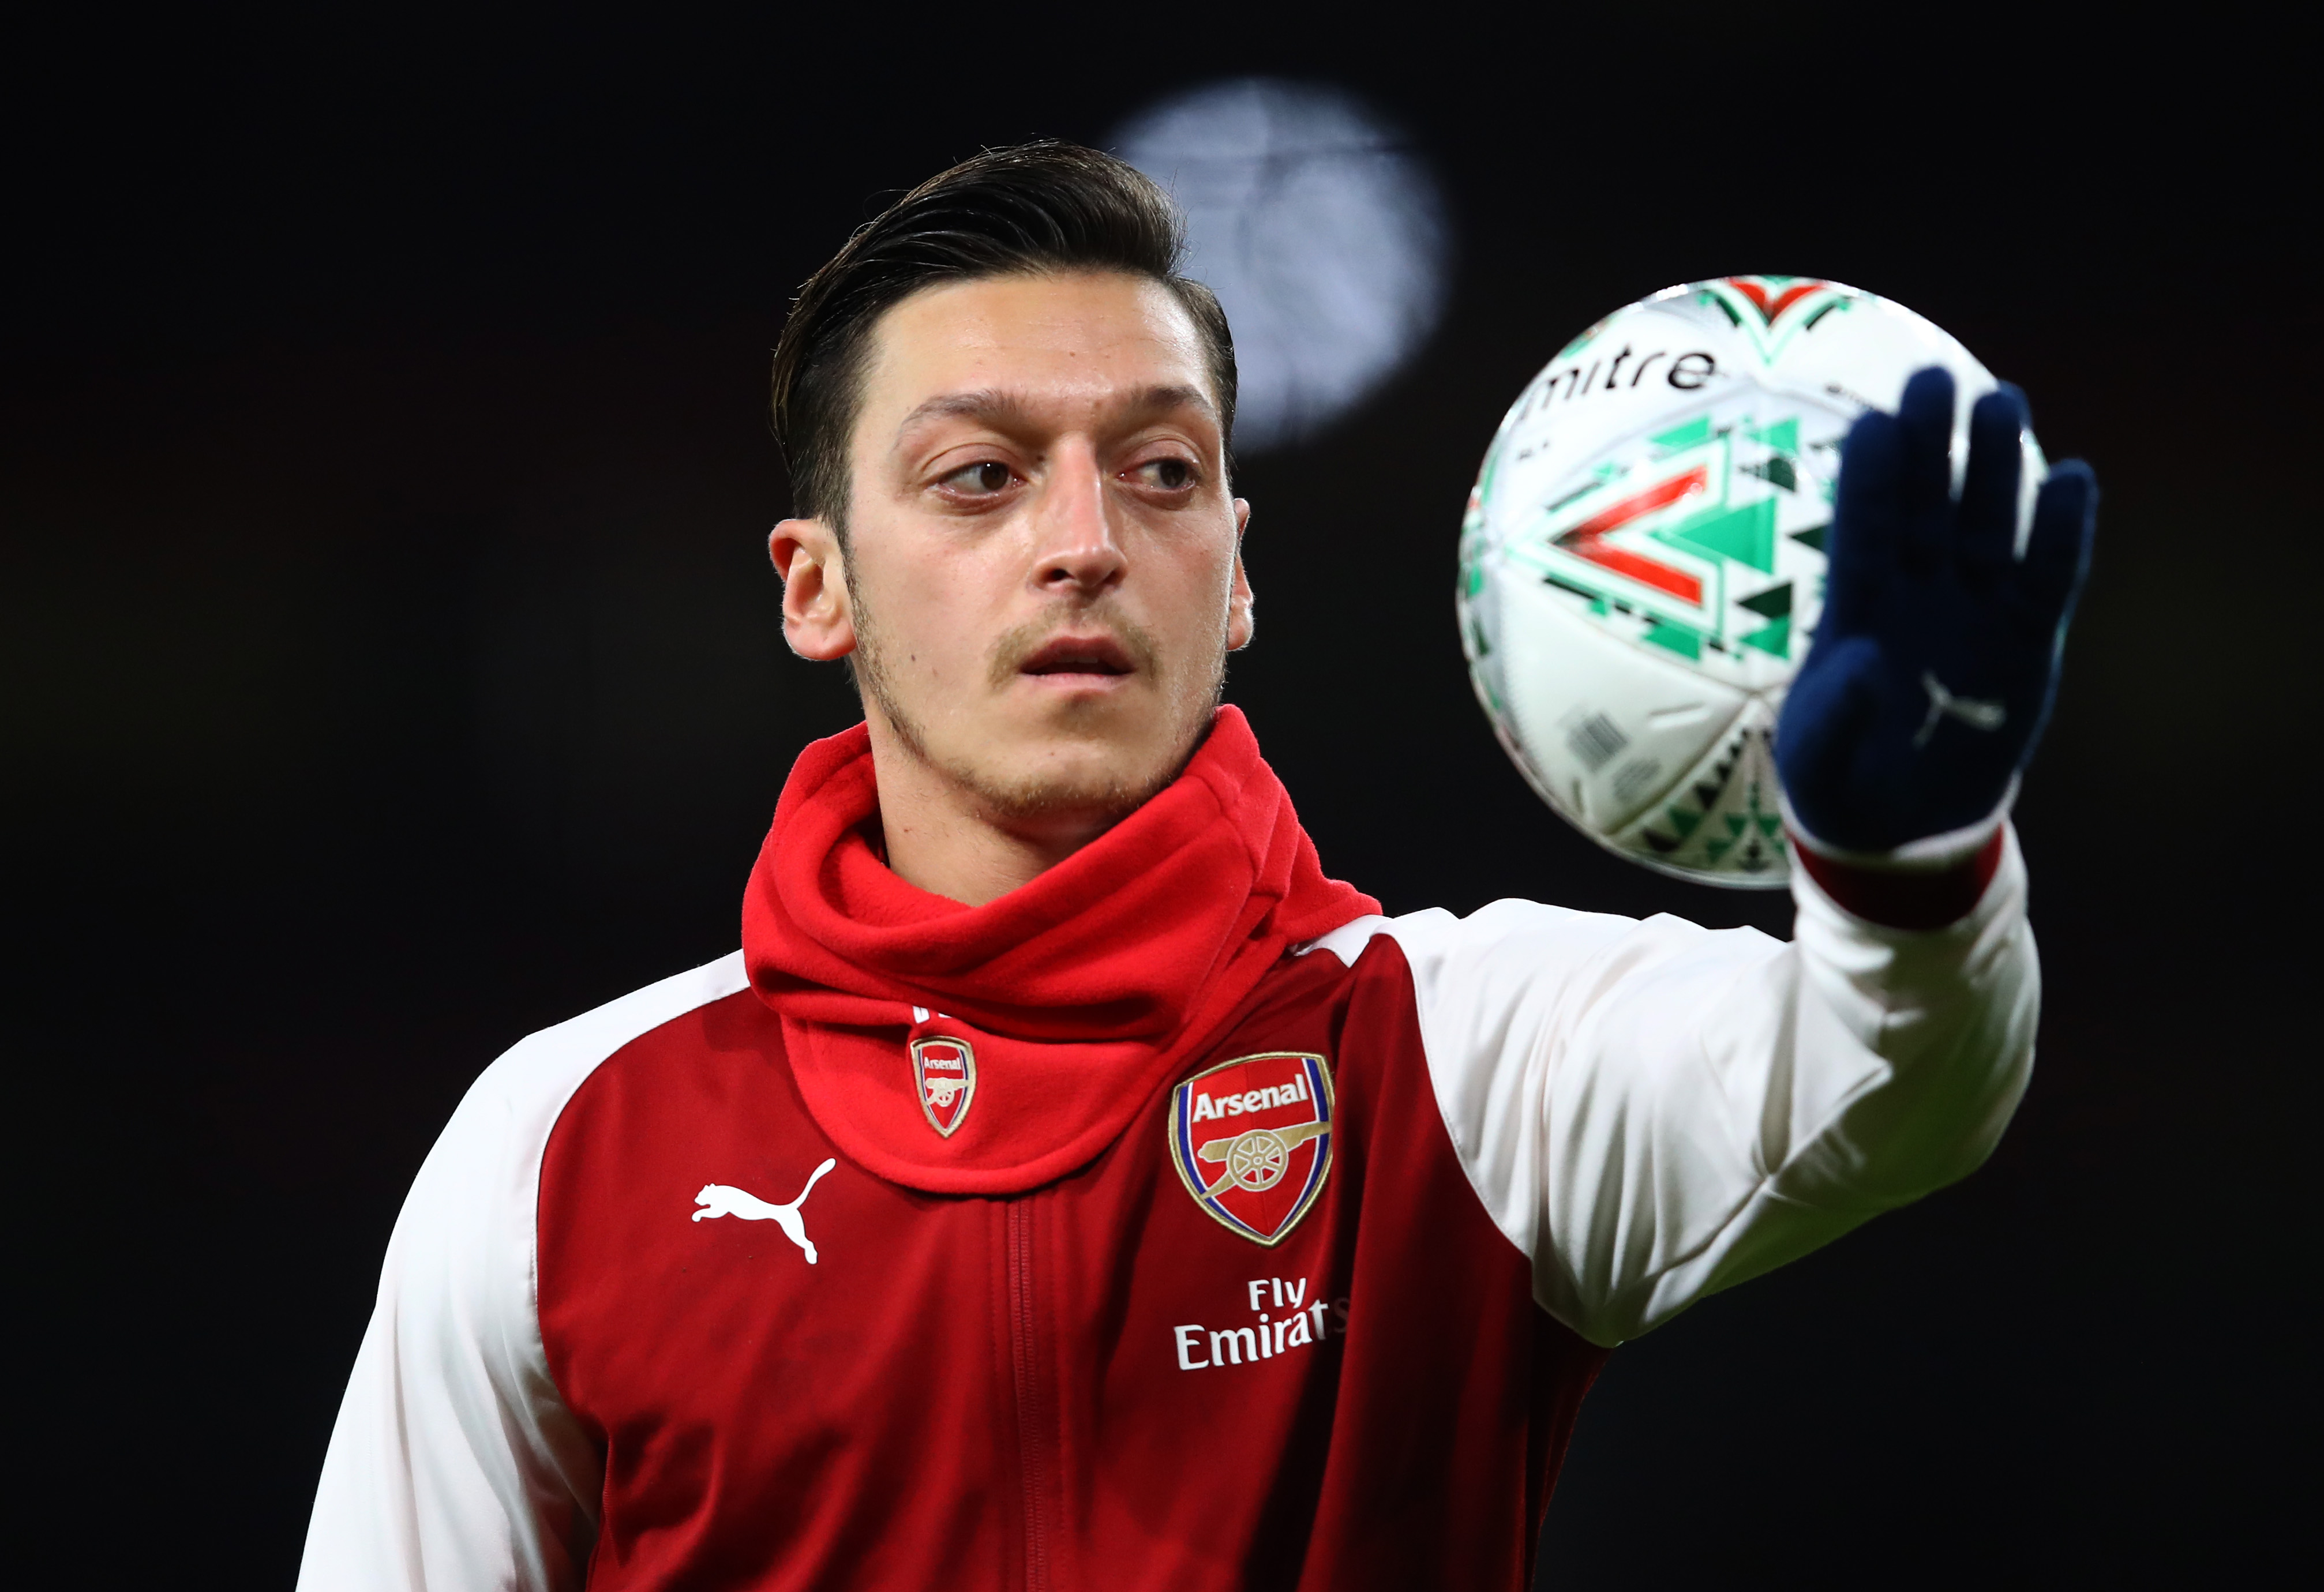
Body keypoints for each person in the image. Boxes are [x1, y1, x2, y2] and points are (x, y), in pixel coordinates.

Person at [297, 143, 2096, 1591]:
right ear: (815, 585)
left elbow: (1895, 1083)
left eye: (1159, 471)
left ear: (1235, 574)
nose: (1083, 541)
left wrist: (1904, 862)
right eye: (980, 477)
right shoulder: (560, 1147)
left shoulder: (1453, 1059)